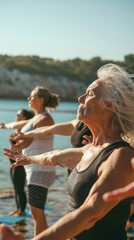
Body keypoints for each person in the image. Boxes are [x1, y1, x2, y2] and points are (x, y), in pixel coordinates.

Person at [2, 63, 134, 240]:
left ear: (109, 106)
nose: (80, 98)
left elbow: (90, 213)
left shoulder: (121, 156)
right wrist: (28, 158)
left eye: (90, 94)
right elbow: (53, 157)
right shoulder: (89, 150)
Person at [1, 86, 59, 238]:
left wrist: (20, 143)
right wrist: (16, 146)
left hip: (41, 170)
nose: (29, 99)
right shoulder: (36, 118)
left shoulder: (45, 118)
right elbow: (28, 140)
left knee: (36, 212)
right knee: (35, 212)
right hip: (35, 170)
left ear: (40, 100)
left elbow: (30, 139)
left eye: (32, 96)